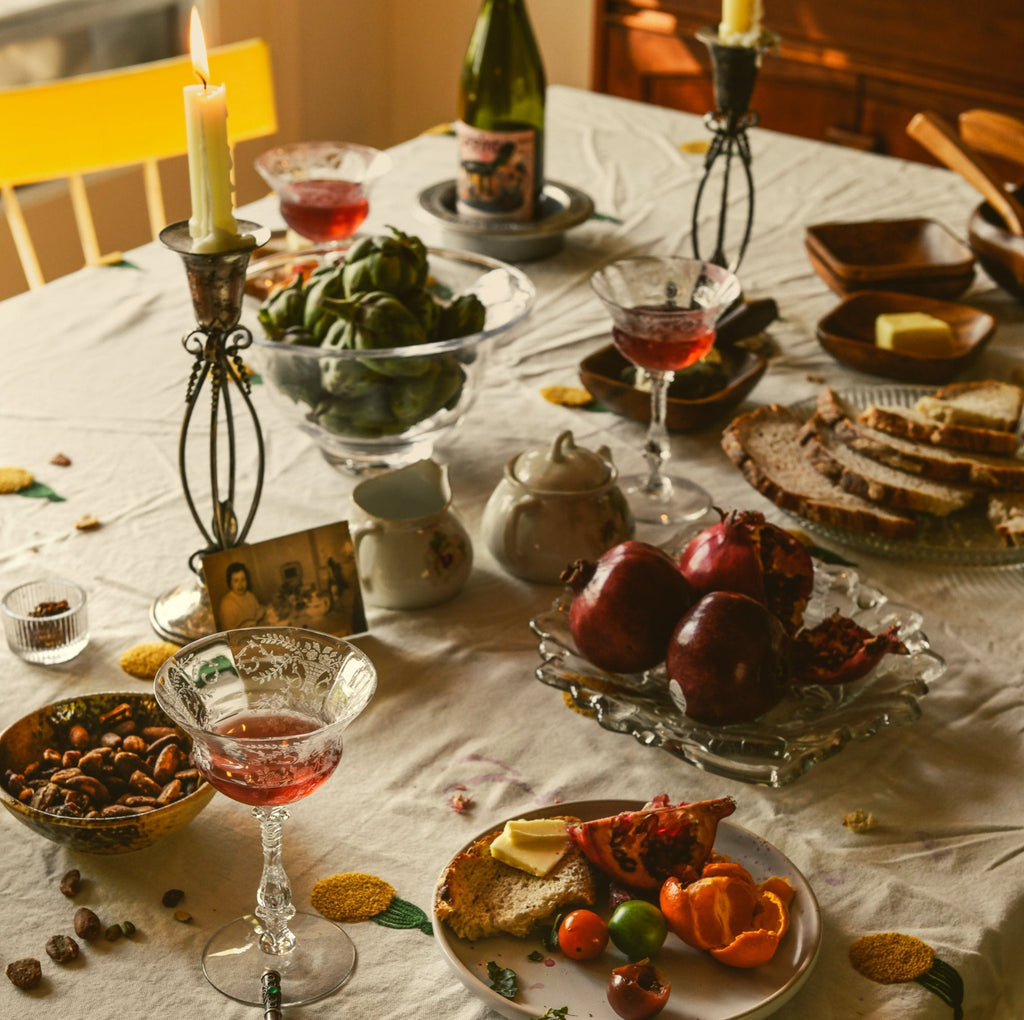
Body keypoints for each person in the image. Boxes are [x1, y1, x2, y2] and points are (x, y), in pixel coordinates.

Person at [218, 562, 267, 629]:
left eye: (243, 579)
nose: (240, 585)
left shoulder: (249, 595)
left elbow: (259, 612)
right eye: (236, 581)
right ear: (230, 583)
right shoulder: (226, 604)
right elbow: (229, 634)